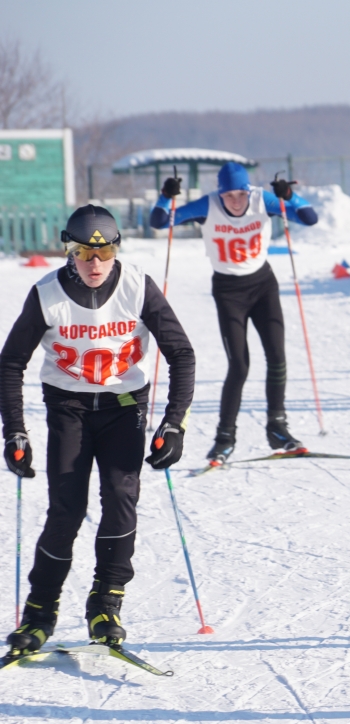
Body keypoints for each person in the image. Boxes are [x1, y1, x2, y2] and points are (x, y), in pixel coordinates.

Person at [1, 205, 195, 655]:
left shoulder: (137, 287)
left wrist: (174, 422)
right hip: (68, 406)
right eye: (83, 252)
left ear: (116, 250)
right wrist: (15, 431)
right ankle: (40, 610)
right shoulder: (47, 293)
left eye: (104, 251)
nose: (94, 263)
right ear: (68, 249)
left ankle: (106, 602)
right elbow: (11, 362)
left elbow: (181, 354)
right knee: (66, 508)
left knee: (121, 496)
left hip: (124, 405)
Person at [150, 162, 318, 465]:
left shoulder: (261, 200)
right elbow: (161, 222)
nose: (236, 201)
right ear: (220, 193)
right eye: (229, 196)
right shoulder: (208, 205)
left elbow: (309, 217)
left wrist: (289, 196)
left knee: (277, 357)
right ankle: (224, 437)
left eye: (240, 194)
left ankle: (277, 428)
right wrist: (166, 195)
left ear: (248, 190)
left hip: (263, 285)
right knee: (239, 365)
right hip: (229, 291)